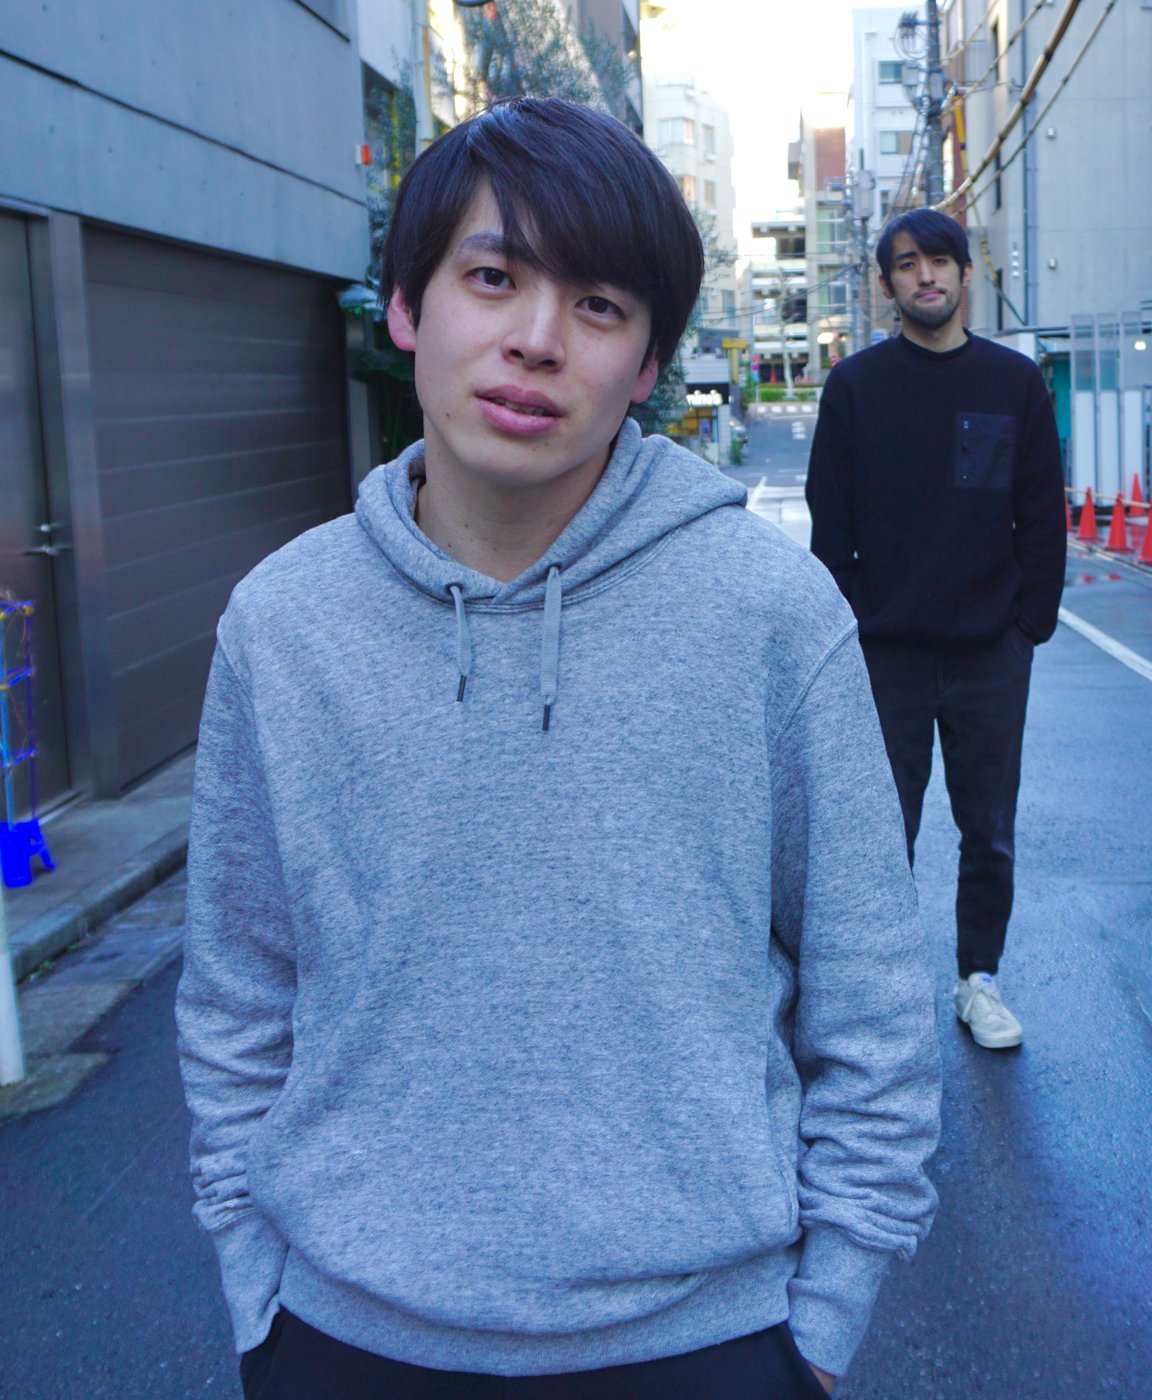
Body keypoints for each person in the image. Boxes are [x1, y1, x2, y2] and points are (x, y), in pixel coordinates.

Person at [176, 98, 940, 1400]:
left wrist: (820, 1326)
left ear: (646, 365)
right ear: (405, 306)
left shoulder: (768, 615)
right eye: (491, 277)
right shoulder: (283, 624)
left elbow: (868, 993)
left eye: (597, 304)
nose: (536, 338)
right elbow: (237, 992)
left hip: (707, 1343)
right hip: (345, 1338)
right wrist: (259, 1293)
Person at [805, 208, 1066, 1052]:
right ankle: (882, 993)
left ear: (965, 274)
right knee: (883, 834)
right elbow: (829, 523)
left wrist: (1029, 624)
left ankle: (978, 980)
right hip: (887, 653)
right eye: (909, 263)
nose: (927, 276)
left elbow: (1042, 511)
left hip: (992, 648)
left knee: (988, 828)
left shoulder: (1012, 383)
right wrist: (852, 624)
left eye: (941, 261)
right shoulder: (856, 387)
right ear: (887, 284)